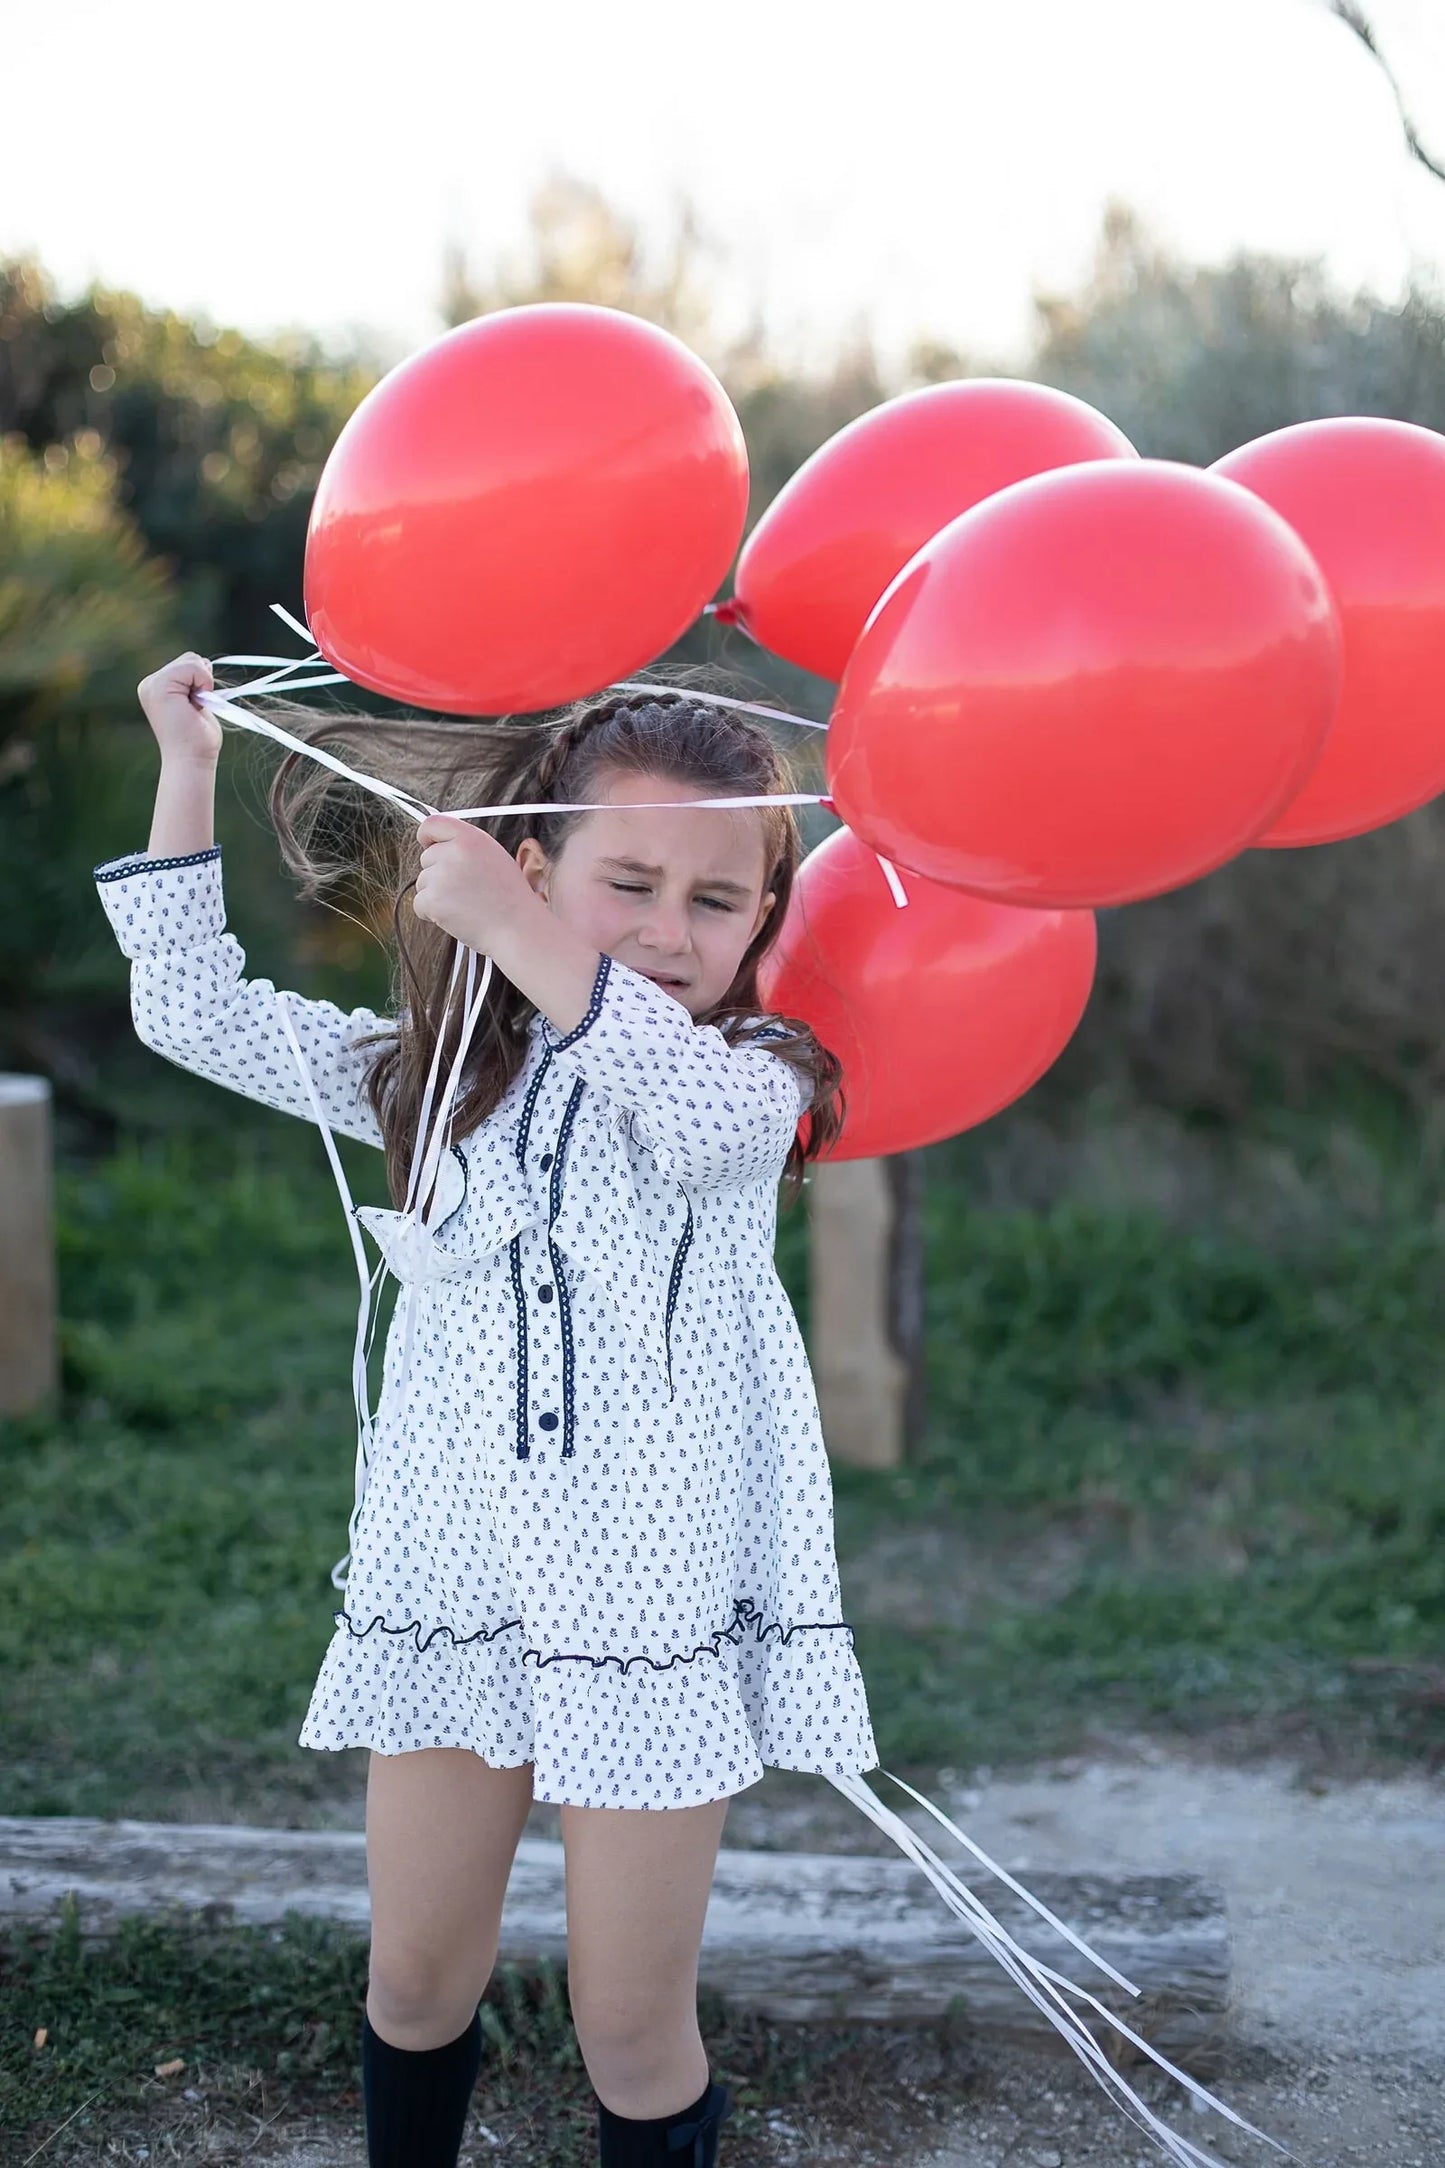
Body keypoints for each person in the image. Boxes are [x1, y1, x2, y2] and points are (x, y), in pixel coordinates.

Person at [92, 650, 877, 2168]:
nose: (666, 931)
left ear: (763, 924)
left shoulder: (750, 1070)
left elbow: (700, 1114)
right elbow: (189, 1012)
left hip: (640, 1612)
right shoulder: (442, 1077)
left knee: (630, 2030)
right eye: (624, 882)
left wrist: (526, 932)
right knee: (413, 1976)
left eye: (716, 904)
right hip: (453, 1575)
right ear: (533, 855)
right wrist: (186, 767)